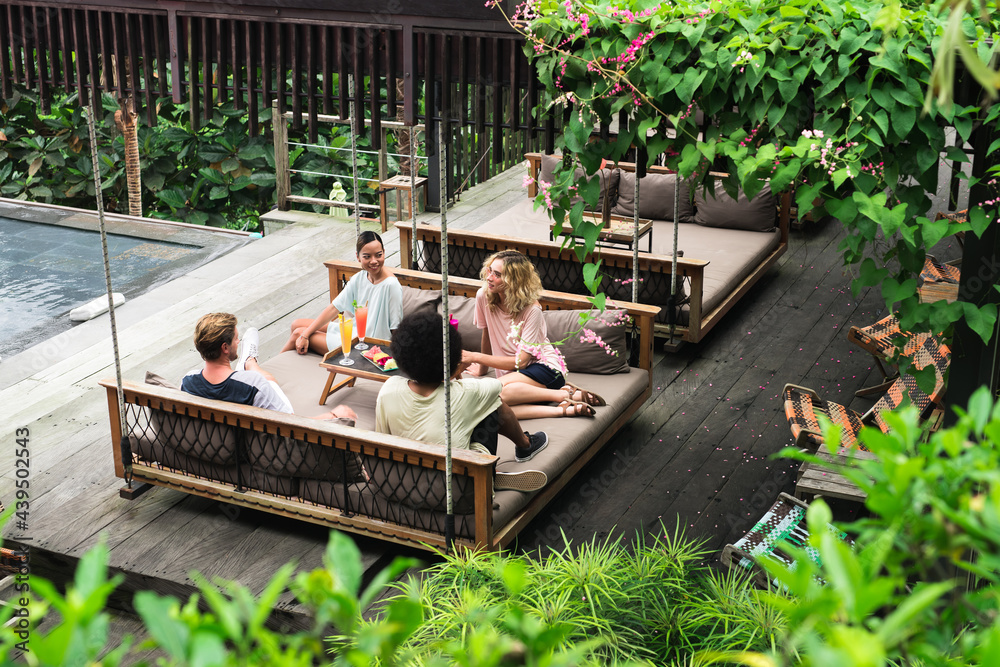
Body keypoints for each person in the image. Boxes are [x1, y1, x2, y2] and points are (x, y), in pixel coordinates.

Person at [375, 311, 550, 491]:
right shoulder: (467, 392)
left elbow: (382, 444)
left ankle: (503, 463)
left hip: (401, 486)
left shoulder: (389, 388)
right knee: (491, 403)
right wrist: (454, 372)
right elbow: (495, 389)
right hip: (459, 493)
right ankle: (524, 446)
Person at [462, 250, 605, 420]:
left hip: (545, 368)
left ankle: (560, 394)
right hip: (516, 380)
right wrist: (482, 369)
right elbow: (487, 331)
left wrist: (474, 357)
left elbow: (521, 362)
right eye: (489, 270)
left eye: (497, 274)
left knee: (495, 394)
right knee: (492, 407)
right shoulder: (483, 296)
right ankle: (564, 404)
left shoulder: (532, 310)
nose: (489, 277)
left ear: (513, 281)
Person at [182, 312, 356, 422]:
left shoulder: (188, 381)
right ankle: (249, 361)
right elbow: (292, 424)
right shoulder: (253, 386)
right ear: (225, 348)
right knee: (267, 380)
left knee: (264, 380)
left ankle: (248, 362)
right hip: (257, 454)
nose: (239, 341)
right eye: (236, 339)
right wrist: (334, 416)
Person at [281, 231, 403, 356]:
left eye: (378, 255)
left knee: (298, 333)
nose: (374, 261)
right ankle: (288, 360)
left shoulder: (391, 285)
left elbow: (396, 328)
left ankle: (266, 373)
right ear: (358, 257)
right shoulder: (359, 278)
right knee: (296, 324)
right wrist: (306, 335)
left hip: (367, 346)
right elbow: (334, 308)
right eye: (367, 256)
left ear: (384, 252)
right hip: (354, 331)